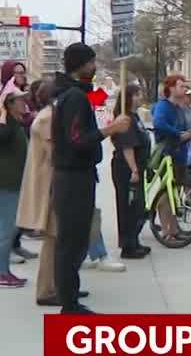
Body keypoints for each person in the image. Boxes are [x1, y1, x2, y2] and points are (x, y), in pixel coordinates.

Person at [49, 43, 131, 313]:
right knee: (71, 243)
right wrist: (111, 129)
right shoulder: (73, 98)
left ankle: (70, 297)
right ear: (81, 64)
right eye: (91, 62)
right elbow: (77, 140)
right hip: (73, 178)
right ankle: (69, 305)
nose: (94, 67)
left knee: (73, 241)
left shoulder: (71, 95)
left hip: (74, 176)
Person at [18, 81, 66, 304]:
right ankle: (46, 290)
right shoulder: (48, 118)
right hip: (49, 184)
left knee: (56, 238)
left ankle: (57, 285)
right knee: (52, 238)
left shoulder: (48, 115)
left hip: (49, 182)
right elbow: (55, 153)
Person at [109, 84, 150, 260]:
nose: (141, 97)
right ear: (130, 97)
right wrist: (134, 169)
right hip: (127, 168)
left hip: (138, 167)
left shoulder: (135, 117)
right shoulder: (125, 119)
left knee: (138, 207)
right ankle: (128, 246)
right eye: (138, 94)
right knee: (129, 207)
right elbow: (128, 147)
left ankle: (134, 240)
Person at [2, 60, 37, 264]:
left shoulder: (21, 101)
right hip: (7, 174)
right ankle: (3, 264)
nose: (20, 76)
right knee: (7, 220)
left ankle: (13, 247)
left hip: (20, 167)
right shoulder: (5, 108)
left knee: (15, 216)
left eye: (23, 72)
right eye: (16, 73)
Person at [0, 89, 31, 287]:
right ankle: (2, 273)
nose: (24, 102)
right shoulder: (6, 125)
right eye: (20, 100)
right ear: (10, 104)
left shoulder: (16, 123)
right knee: (6, 230)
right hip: (7, 184)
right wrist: (3, 114)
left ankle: (5, 271)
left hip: (15, 183)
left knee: (10, 228)